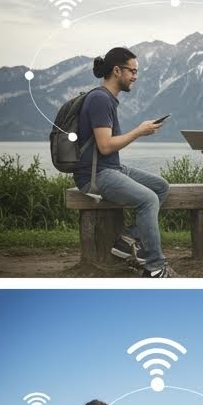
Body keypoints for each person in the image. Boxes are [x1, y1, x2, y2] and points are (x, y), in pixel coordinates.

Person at [73, 46, 173, 277]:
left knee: (160, 187)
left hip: (110, 168)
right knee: (148, 200)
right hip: (95, 175)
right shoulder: (100, 99)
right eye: (132, 71)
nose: (135, 76)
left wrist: (141, 131)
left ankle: (127, 239)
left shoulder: (107, 98)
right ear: (117, 71)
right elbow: (105, 145)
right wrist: (139, 131)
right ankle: (156, 267)